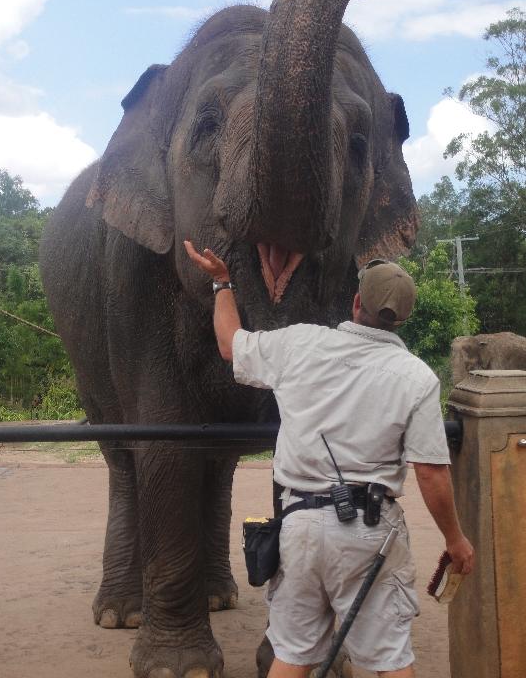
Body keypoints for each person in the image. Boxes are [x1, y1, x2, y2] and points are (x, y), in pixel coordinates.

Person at [184, 241, 475, 678]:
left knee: (293, 654)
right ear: (406, 316)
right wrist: (455, 539)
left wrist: (222, 283)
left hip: (298, 526)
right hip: (371, 532)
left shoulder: (301, 343)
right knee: (389, 658)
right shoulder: (417, 377)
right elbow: (431, 473)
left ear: (356, 303)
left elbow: (230, 345)